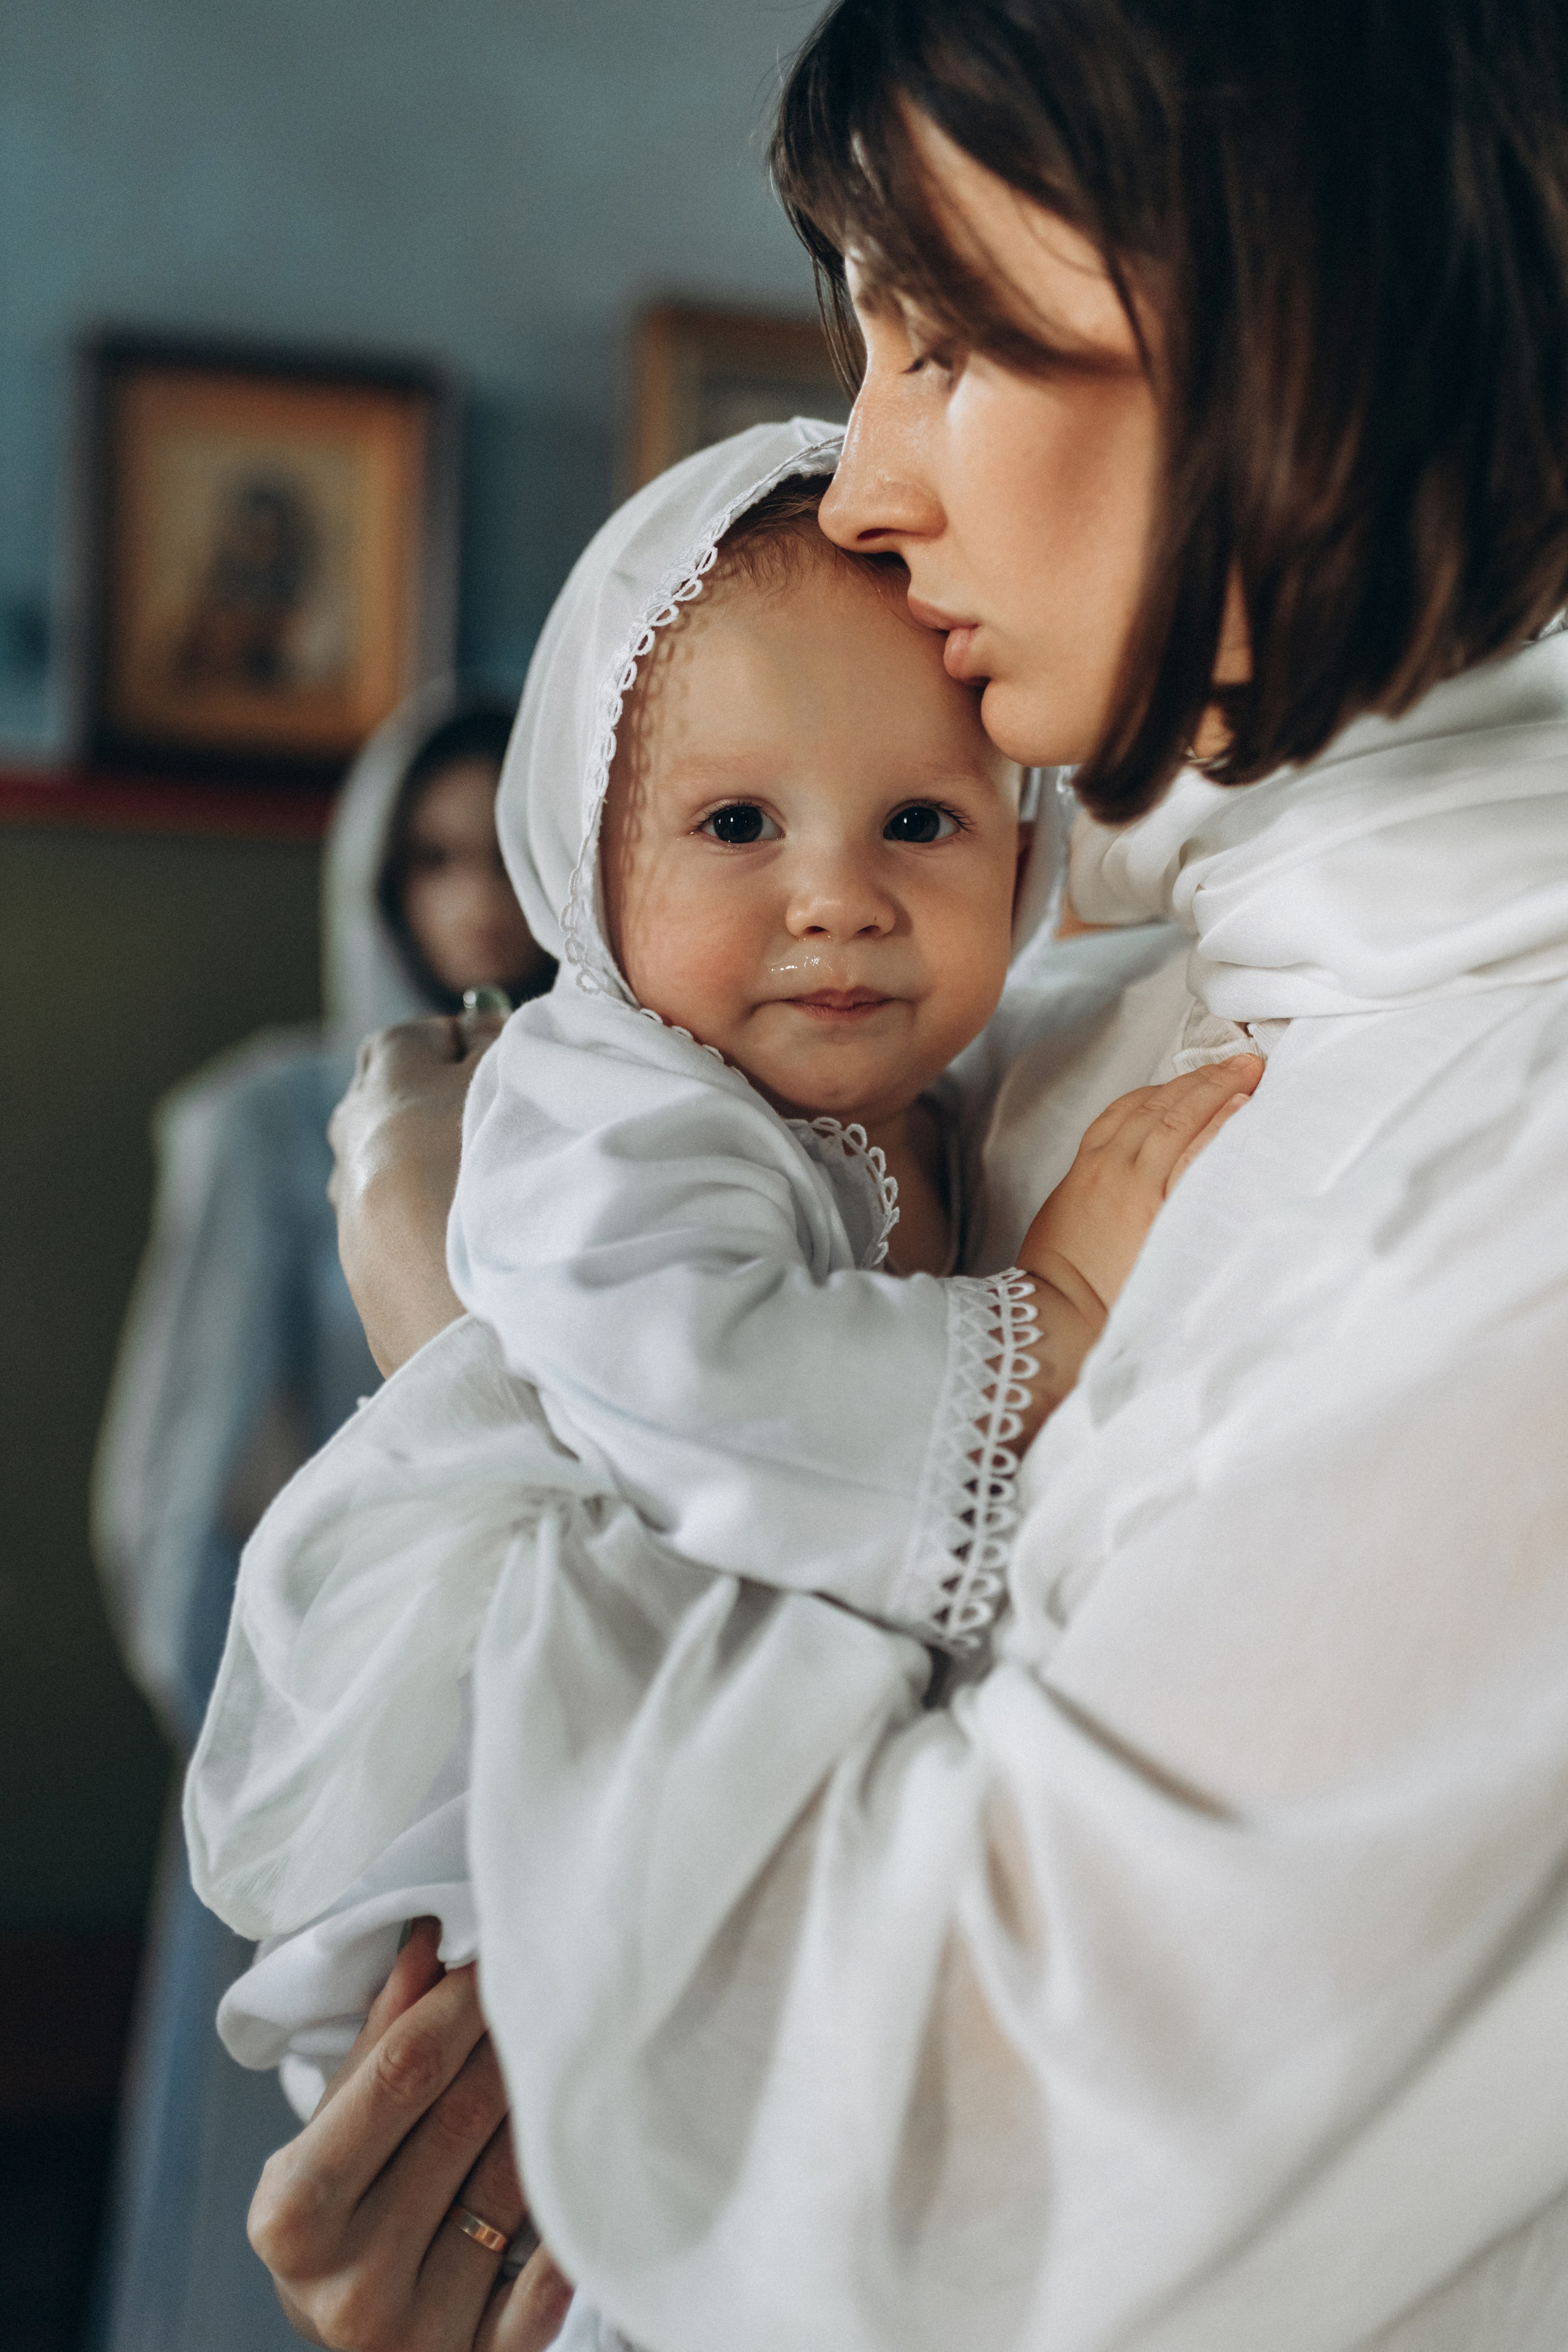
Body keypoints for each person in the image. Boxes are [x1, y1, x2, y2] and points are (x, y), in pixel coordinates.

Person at [242, 3, 1568, 2348]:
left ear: (1315, 292)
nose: (860, 482)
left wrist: (475, 1342)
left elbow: (986, 2173)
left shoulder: (1510, 1152)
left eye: (945, 340)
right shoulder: (1078, 1002)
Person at [186, 429, 1257, 2168]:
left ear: (1024, 856)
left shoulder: (934, 1103)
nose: (837, 896)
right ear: (591, 864)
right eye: (737, 823)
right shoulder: (607, 1104)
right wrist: (1046, 1315)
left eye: (920, 820)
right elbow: (699, 1387)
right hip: (487, 1809)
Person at [89, 682, 550, 2352]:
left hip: (540, 1735)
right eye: (426, 857)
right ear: (373, 879)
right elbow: (172, 1507)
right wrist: (303, 1745)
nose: (472, 900)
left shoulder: (626, 1133)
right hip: (319, 1747)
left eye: (500, 845)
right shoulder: (261, 1128)